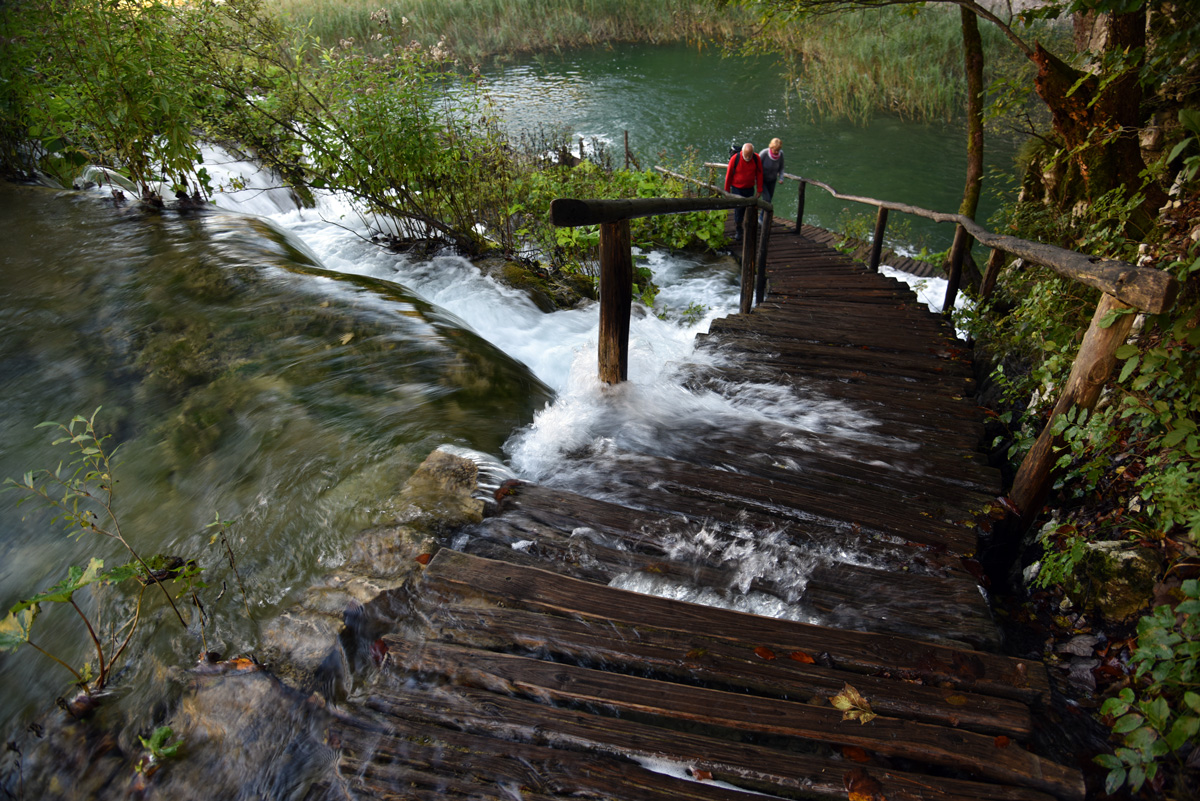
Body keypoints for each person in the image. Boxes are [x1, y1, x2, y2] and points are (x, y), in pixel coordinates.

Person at [724, 142, 763, 242]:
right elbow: (728, 175)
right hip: (737, 188)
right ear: (742, 152)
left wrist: (759, 189)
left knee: (749, 209)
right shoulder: (735, 159)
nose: (748, 157)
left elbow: (759, 173)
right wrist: (727, 191)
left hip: (749, 188)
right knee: (739, 210)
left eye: (750, 155)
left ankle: (748, 228)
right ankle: (738, 229)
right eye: (746, 155)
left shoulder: (756, 158)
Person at [759, 138, 784, 204]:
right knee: (767, 199)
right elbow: (757, 166)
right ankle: (762, 214)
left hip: (772, 180)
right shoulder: (764, 153)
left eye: (778, 150)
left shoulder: (781, 154)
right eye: (775, 150)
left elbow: (781, 167)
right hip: (762, 180)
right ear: (771, 147)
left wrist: (781, 178)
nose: (776, 152)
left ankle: (763, 214)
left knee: (769, 199)